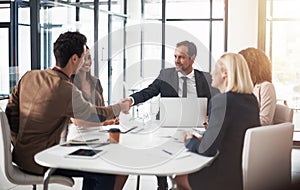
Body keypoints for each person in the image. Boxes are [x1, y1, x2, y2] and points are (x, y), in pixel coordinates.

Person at [5, 31, 129, 190]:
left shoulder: (29, 76)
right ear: (74, 59)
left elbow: (10, 115)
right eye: (84, 56)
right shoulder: (65, 89)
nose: (86, 61)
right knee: (106, 171)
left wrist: (21, 142)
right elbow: (94, 115)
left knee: (96, 162)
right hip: (44, 161)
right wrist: (120, 107)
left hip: (22, 157)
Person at [124, 40, 219, 190]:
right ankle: (162, 184)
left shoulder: (205, 78)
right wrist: (131, 100)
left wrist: (211, 117)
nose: (176, 61)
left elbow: (216, 101)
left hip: (197, 127)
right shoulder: (166, 75)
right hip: (169, 126)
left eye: (181, 57)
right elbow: (149, 91)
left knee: (195, 154)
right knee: (157, 145)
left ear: (192, 58)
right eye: (175, 56)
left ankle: (188, 181)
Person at [174, 53, 260, 190]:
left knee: (180, 177)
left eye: (215, 69)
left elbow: (207, 150)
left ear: (225, 74)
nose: (211, 73)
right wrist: (204, 139)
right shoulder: (252, 100)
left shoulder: (222, 101)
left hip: (224, 177)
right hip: (242, 174)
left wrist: (190, 140)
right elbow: (231, 136)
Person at [67, 46, 118, 141]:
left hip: (99, 132)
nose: (87, 62)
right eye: (83, 58)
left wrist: (112, 118)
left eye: (89, 58)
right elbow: (76, 120)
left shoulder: (96, 81)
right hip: (78, 134)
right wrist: (104, 123)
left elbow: (102, 109)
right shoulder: (69, 85)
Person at [239, 47, 276, 125]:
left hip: (256, 134)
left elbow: (265, 121)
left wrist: (237, 123)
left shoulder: (266, 87)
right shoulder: (244, 86)